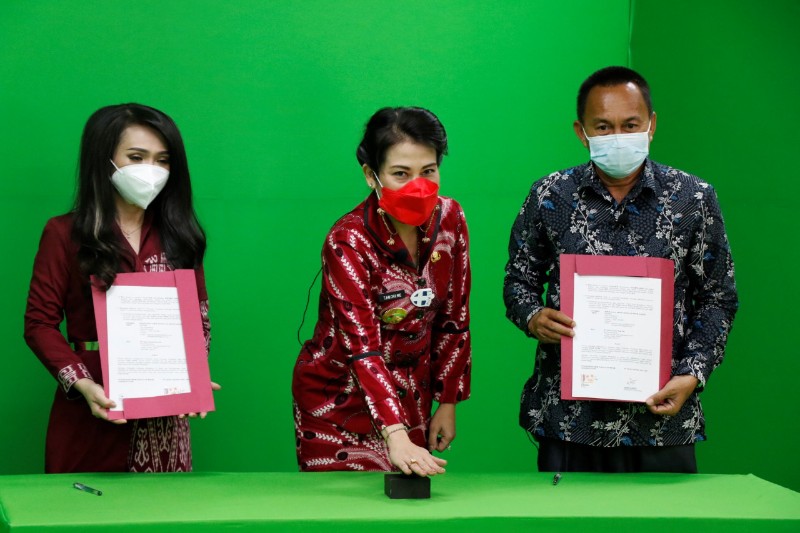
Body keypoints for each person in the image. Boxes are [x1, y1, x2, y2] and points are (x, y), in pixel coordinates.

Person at [503, 66, 738, 473]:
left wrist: (693, 373)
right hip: (568, 419)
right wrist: (533, 316)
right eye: (604, 126)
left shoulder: (693, 198)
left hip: (664, 415)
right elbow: (518, 280)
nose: (618, 136)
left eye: (630, 124)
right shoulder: (549, 195)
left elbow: (719, 298)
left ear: (651, 125)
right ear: (582, 132)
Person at [24, 103, 216, 473]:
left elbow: (200, 317)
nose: (153, 170)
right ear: (103, 159)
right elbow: (39, 324)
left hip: (165, 417)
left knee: (161, 519)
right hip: (92, 408)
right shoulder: (64, 234)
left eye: (163, 160)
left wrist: (192, 375)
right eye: (136, 156)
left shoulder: (181, 236)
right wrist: (81, 383)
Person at [292, 106, 471, 476]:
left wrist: (448, 401)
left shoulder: (451, 218)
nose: (417, 186)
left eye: (429, 171)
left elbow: (455, 318)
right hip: (338, 402)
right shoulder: (348, 241)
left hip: (412, 395)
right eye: (400, 174)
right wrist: (395, 432)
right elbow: (362, 348)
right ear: (371, 176)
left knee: (407, 509)